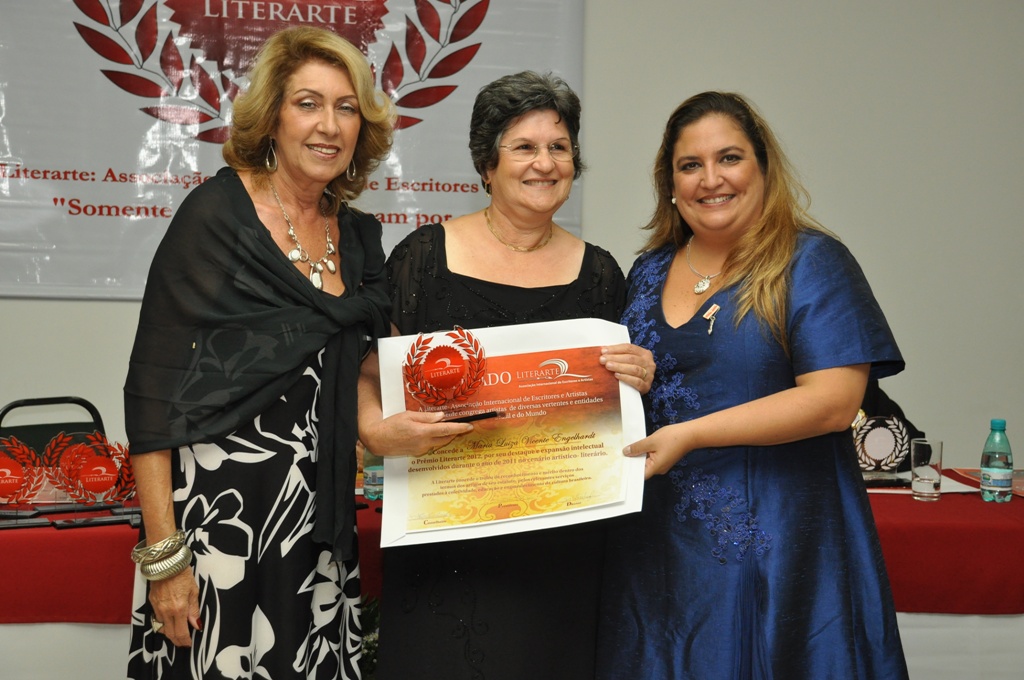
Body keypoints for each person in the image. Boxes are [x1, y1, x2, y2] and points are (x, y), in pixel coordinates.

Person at [596, 91, 909, 679]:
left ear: (763, 168)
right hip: (654, 552)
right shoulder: (648, 269)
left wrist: (691, 434)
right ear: (670, 183)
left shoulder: (810, 261)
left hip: (776, 547)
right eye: (690, 165)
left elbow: (833, 402)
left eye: (730, 158)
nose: (711, 179)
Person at [357, 71, 655, 680]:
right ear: (486, 164)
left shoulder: (602, 275)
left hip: (562, 551)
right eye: (524, 146)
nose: (545, 163)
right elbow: (367, 375)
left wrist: (638, 375)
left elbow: (614, 409)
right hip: (445, 545)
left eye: (559, 147)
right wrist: (375, 432)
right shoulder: (423, 258)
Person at [123, 26, 393, 679]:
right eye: (308, 103)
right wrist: (165, 559)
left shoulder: (359, 238)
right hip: (217, 533)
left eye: (346, 107)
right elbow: (152, 399)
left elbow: (364, 373)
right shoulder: (215, 217)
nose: (329, 125)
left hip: (318, 532)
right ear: (272, 116)